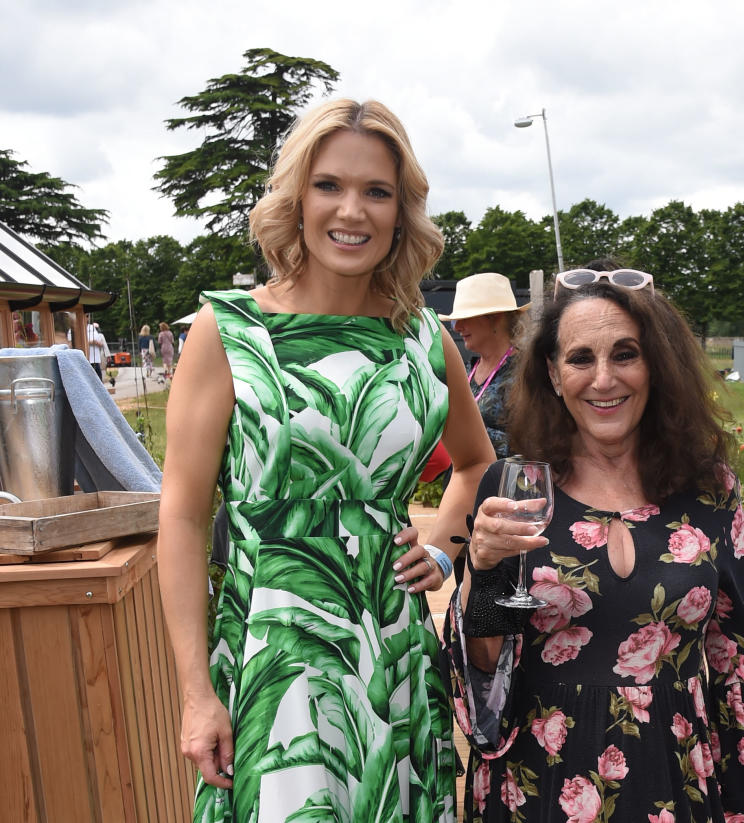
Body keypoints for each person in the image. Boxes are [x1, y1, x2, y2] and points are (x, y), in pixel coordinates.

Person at [157, 98, 495, 823]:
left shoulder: (424, 341)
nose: (353, 210)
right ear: (297, 199)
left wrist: (439, 549)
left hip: (391, 659)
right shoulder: (229, 332)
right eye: (329, 185)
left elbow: (477, 464)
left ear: (402, 212)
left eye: (378, 191)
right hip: (270, 660)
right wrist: (195, 692)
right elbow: (182, 517)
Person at [444, 269, 744, 822]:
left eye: (625, 354)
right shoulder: (516, 490)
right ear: (553, 374)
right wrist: (483, 572)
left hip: (676, 776)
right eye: (581, 359)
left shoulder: (710, 491)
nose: (604, 379)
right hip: (541, 782)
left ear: (655, 366)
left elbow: (732, 655)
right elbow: (485, 662)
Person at [440, 271, 528, 459]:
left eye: (465, 317)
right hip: (462, 481)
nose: (456, 327)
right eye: (456, 320)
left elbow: (531, 443)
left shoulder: (526, 372)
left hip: (502, 484)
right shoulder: (467, 371)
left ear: (495, 316)